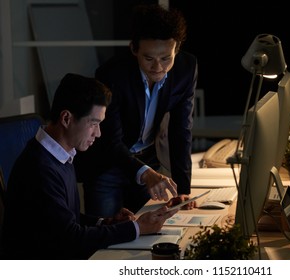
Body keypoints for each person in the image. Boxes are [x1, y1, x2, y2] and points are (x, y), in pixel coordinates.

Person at [0, 73, 178, 260]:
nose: (99, 133)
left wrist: (107, 223)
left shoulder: (60, 154)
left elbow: (66, 220)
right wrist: (137, 228)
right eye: (94, 123)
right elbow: (71, 238)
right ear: (67, 118)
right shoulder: (39, 169)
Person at [74, 4, 198, 216]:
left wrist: (183, 189)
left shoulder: (186, 69)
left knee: (147, 230)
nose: (158, 67)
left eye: (166, 58)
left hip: (146, 160)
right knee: (106, 236)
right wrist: (145, 173)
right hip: (108, 164)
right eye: (149, 58)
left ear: (176, 49)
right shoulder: (112, 74)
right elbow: (110, 140)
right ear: (134, 49)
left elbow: (181, 131)